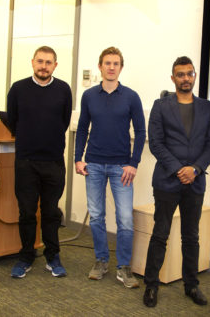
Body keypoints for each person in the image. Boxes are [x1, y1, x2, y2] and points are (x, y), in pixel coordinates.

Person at [142, 56, 210, 307]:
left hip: (195, 183)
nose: (186, 78)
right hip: (166, 181)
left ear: (194, 76)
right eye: (180, 74)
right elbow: (156, 142)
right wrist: (178, 169)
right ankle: (151, 286)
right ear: (173, 78)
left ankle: (191, 285)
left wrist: (195, 169)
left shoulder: (208, 108)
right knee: (160, 234)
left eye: (189, 73)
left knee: (191, 236)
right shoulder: (160, 105)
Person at [75, 47, 146, 288]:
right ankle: (101, 260)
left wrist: (133, 163)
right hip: (93, 164)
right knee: (96, 216)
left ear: (121, 68)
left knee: (125, 219)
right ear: (100, 66)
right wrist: (78, 158)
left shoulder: (131, 97)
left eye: (116, 63)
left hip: (121, 168)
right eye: (107, 63)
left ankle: (124, 267)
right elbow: (83, 128)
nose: (111, 67)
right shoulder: (89, 96)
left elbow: (141, 131)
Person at [7, 46, 72, 279]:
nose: (43, 66)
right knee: (26, 212)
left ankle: (53, 255)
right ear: (32, 62)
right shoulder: (18, 89)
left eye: (48, 62)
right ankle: (25, 256)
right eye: (40, 61)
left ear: (55, 65)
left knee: (51, 212)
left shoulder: (64, 89)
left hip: (53, 162)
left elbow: (64, 122)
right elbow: (12, 122)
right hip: (26, 162)